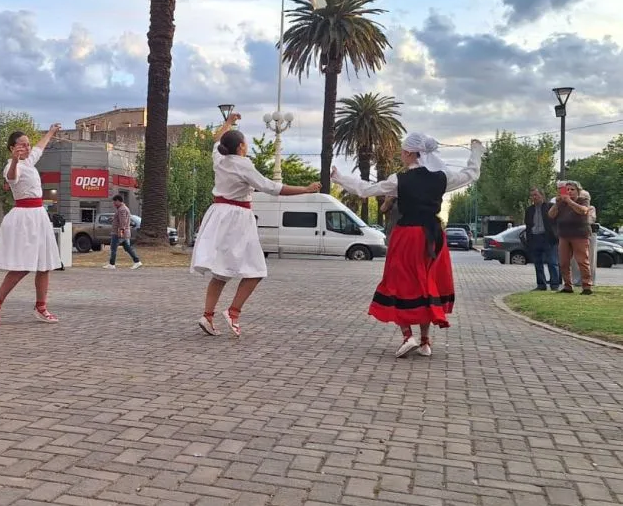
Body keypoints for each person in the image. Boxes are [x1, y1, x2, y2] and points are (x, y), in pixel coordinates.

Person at [332, 133, 484, 358]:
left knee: (399, 283)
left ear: (412, 153)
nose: (401, 155)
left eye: (403, 151)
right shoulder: (442, 178)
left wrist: (339, 178)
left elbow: (366, 189)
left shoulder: (399, 180)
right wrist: (476, 151)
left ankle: (407, 336)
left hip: (407, 236)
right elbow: (471, 174)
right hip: (433, 236)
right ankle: (425, 342)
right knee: (425, 285)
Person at [191, 112, 320, 337]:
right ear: (241, 146)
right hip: (237, 218)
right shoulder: (243, 165)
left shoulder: (220, 159)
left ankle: (208, 315)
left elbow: (215, 141)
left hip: (218, 215)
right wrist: (306, 189)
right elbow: (272, 188)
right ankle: (233, 312)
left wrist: (228, 123)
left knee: (221, 271)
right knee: (257, 270)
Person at [0, 124, 64, 326]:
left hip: (39, 216)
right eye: (22, 145)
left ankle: (41, 307)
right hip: (24, 218)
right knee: (21, 266)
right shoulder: (12, 166)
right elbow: (11, 178)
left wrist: (50, 132)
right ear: (12, 148)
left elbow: (40, 147)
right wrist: (14, 160)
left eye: (28, 144)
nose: (27, 148)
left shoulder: (29, 162)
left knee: (44, 265)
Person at [549, 181, 592, 295]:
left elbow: (583, 210)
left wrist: (569, 201)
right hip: (564, 235)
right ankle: (568, 286)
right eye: (567, 189)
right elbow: (551, 215)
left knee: (582, 261)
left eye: (572, 189)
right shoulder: (561, 203)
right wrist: (556, 203)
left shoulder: (583, 200)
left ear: (578, 191)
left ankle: (587, 286)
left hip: (580, 235)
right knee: (563, 262)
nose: (569, 192)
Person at [523, 186, 559, 291]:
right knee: (537, 263)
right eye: (532, 195)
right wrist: (528, 240)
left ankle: (555, 284)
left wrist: (555, 235)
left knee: (552, 262)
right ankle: (541, 284)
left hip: (548, 238)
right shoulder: (529, 210)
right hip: (535, 238)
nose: (534, 197)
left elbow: (555, 222)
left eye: (536, 195)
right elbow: (528, 225)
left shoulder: (549, 207)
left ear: (542, 196)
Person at [103, 195, 143, 270]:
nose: (114, 204)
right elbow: (121, 219)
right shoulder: (122, 208)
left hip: (119, 232)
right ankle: (137, 261)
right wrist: (113, 219)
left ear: (118, 201)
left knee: (113, 248)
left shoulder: (122, 209)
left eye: (114, 202)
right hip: (122, 232)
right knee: (127, 247)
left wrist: (121, 233)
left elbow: (123, 222)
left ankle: (112, 264)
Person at [569, 189, 597, 288]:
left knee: (588, 259)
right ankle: (576, 280)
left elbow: (589, 220)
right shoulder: (572, 207)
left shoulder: (591, 208)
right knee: (575, 260)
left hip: (587, 235)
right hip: (573, 235)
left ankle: (589, 280)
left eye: (585, 198)